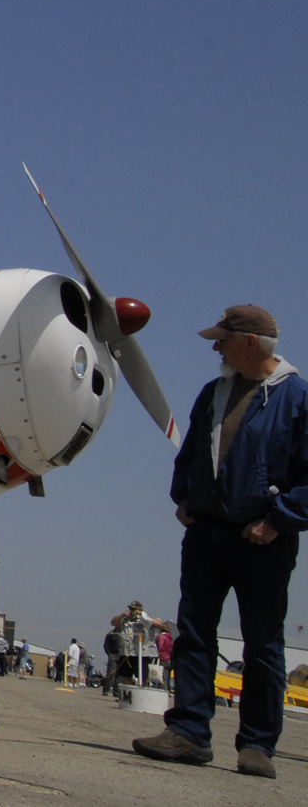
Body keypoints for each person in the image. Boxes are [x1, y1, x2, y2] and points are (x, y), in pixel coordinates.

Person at [133, 305, 307, 779]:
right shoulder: (214, 393)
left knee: (264, 645)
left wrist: (278, 519)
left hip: (263, 540)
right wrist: (185, 497)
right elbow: (191, 452)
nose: (215, 349)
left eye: (222, 340)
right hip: (207, 534)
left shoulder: (297, 398)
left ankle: (257, 746)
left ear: (250, 342)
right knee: (193, 634)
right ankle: (188, 732)